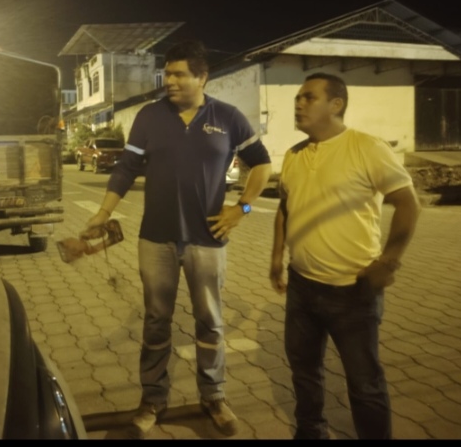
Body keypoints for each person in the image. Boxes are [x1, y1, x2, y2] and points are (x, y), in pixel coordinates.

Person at [82, 39, 272, 438]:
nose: (169, 80)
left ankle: (213, 396)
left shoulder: (228, 117)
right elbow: (126, 168)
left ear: (202, 77)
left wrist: (242, 208)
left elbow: (262, 164)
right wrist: (103, 213)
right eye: (167, 73)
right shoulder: (150, 116)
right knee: (156, 322)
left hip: (208, 239)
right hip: (156, 240)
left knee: (210, 322)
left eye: (179, 74)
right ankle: (152, 399)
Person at [269, 73, 421, 439]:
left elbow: (408, 204)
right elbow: (285, 207)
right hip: (302, 287)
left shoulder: (367, 147)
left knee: (364, 382)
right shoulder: (293, 155)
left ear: (336, 104)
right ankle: (311, 431)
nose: (298, 104)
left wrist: (389, 260)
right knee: (304, 371)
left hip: (352, 290)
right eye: (297, 98)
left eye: (308, 97)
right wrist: (277, 256)